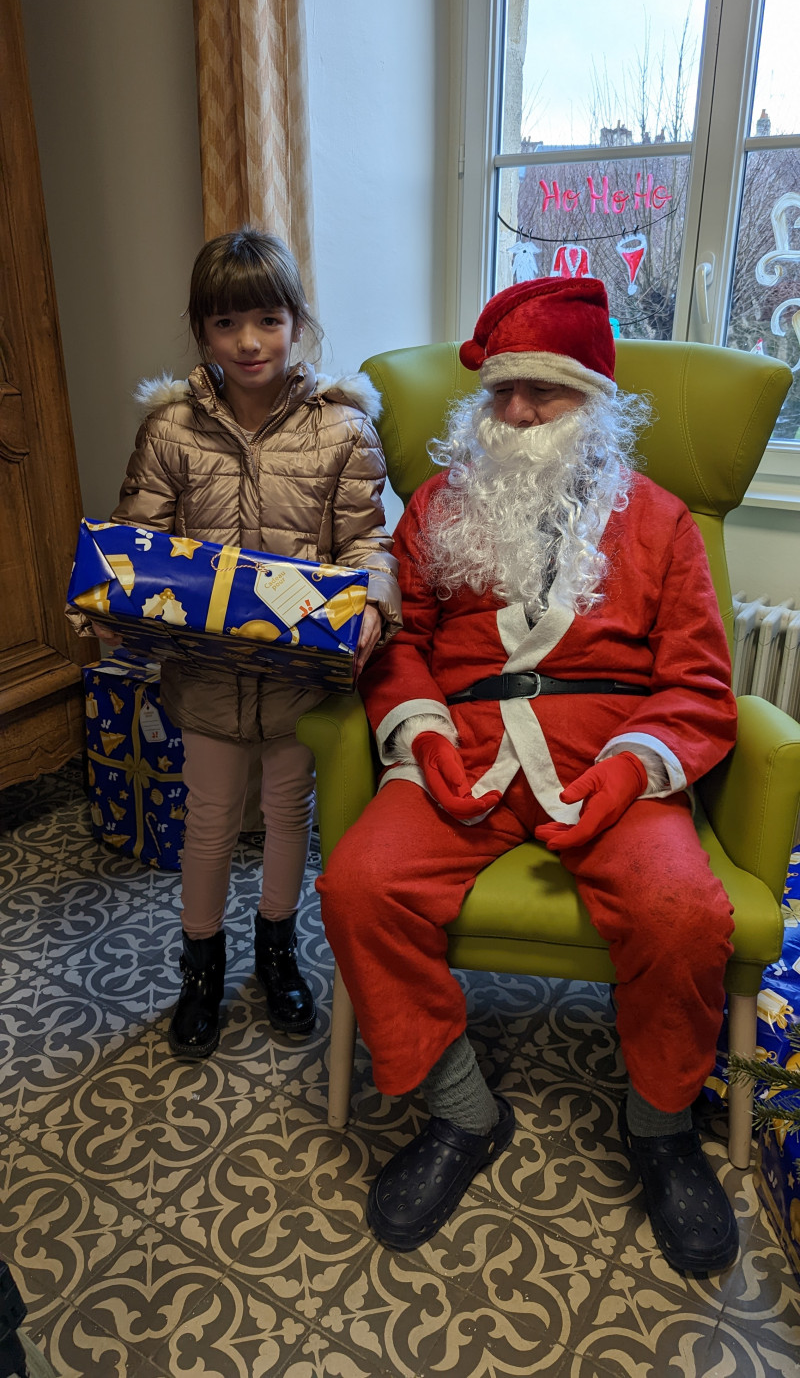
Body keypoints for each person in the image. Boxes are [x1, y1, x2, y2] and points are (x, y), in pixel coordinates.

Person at [317, 277, 740, 1276]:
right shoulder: (434, 505)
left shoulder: (662, 521)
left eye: (540, 394)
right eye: (500, 392)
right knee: (357, 886)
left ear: (592, 403)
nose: (512, 415)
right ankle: (460, 1110)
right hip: (458, 750)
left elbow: (696, 681)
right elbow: (403, 641)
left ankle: (660, 1130)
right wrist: (417, 736)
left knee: (682, 914)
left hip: (609, 757)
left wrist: (632, 772)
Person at [69, 226, 401, 1060]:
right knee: (210, 821)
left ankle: (278, 950)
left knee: (290, 814)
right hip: (206, 679)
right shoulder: (171, 431)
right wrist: (108, 605)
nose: (249, 342)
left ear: (296, 320)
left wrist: (373, 606)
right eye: (226, 325)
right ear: (201, 331)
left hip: (300, 679)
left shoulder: (343, 431)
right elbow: (136, 546)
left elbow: (368, 547)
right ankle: (203, 966)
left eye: (267, 319)